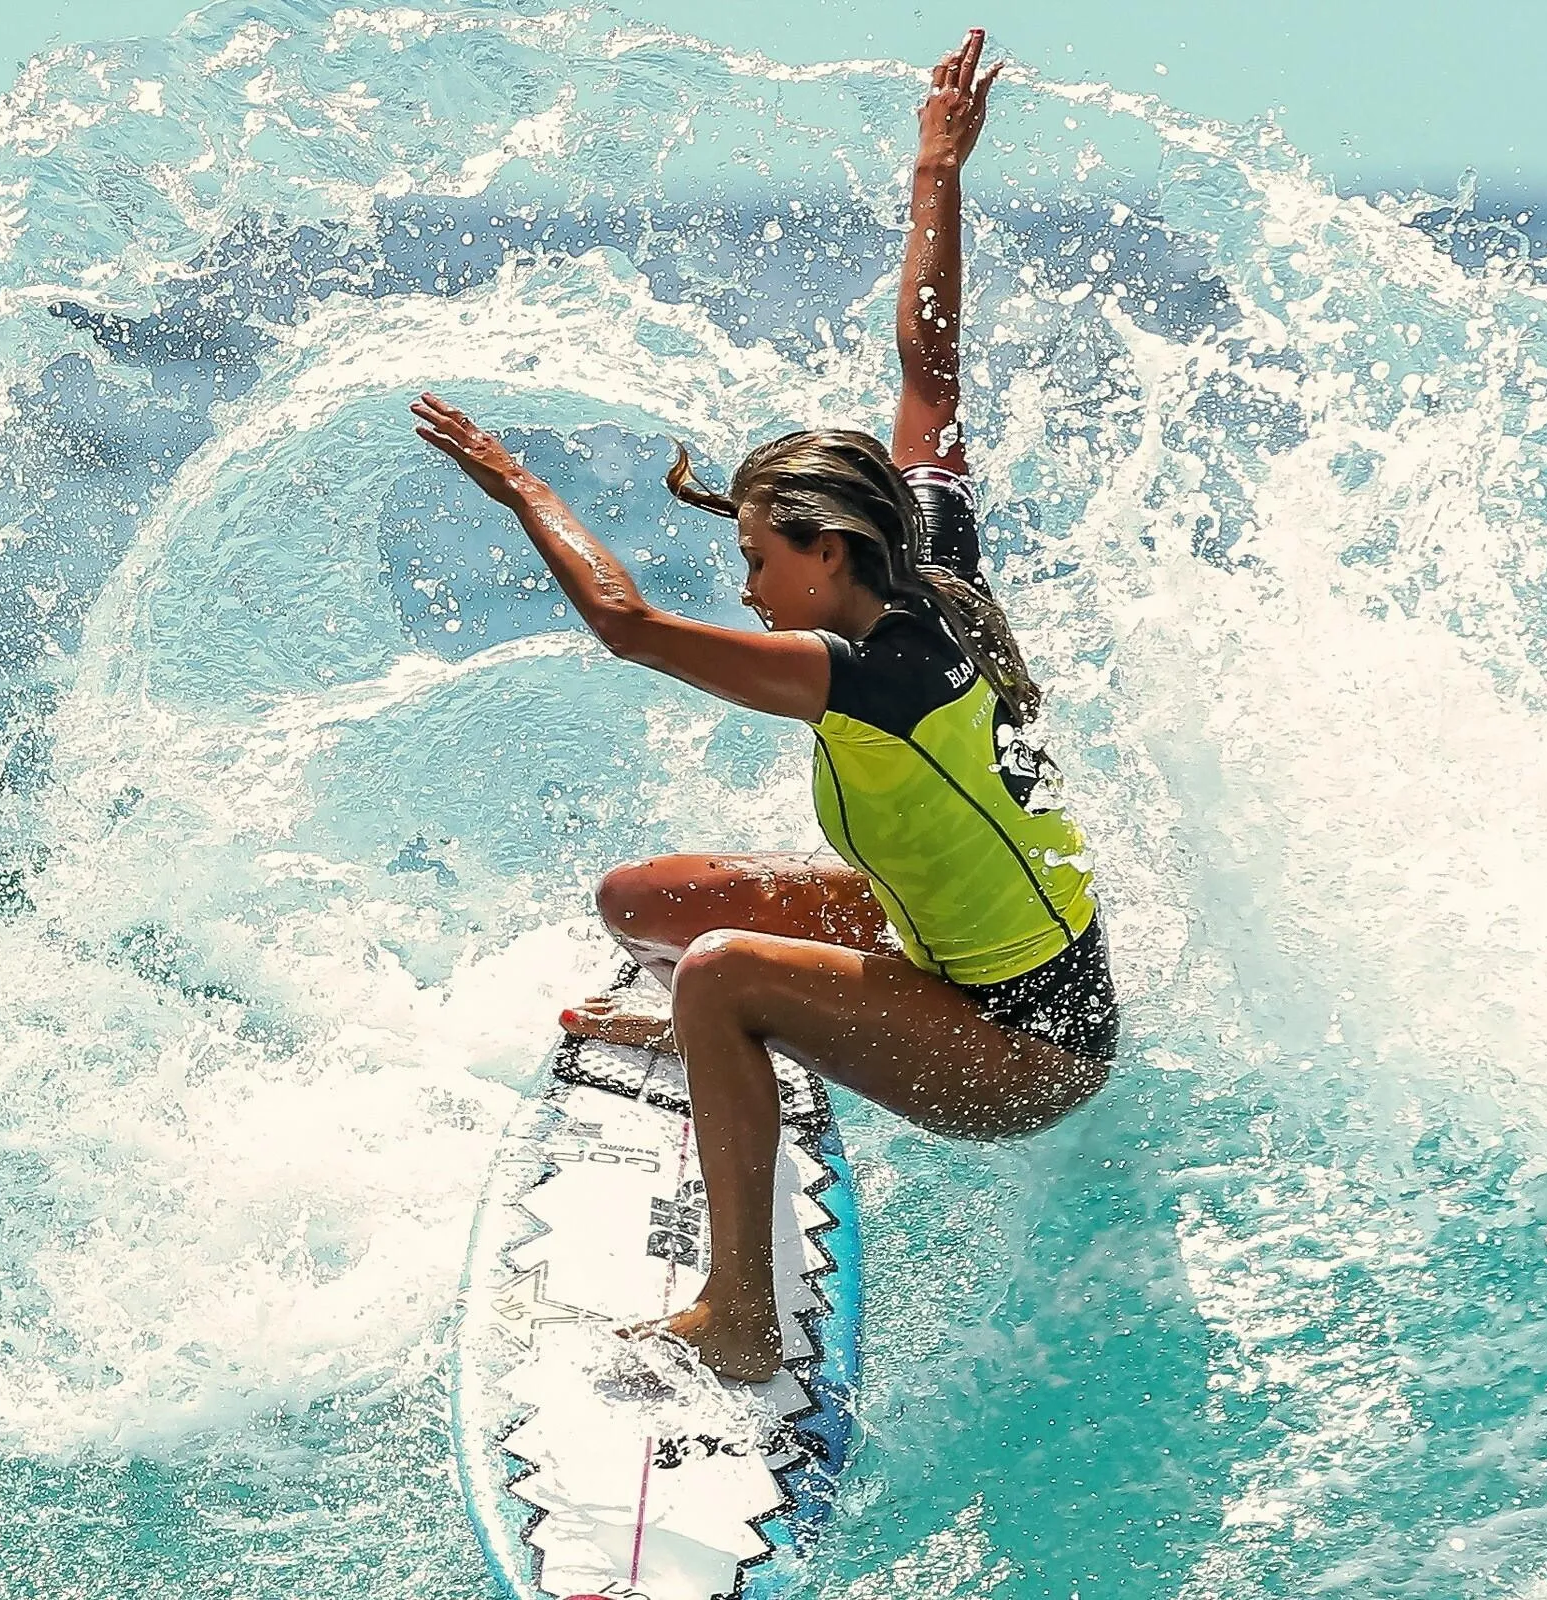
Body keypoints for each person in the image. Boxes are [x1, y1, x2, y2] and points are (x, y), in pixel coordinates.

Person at [414, 28, 1117, 1381]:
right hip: (949, 947)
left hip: (1026, 1049)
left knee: (726, 969)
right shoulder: (930, 553)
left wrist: (518, 489)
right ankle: (739, 1034)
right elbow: (930, 373)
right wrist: (935, 172)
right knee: (647, 906)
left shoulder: (872, 669)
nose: (744, 586)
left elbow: (624, 628)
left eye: (755, 557)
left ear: (830, 549)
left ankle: (737, 1318)